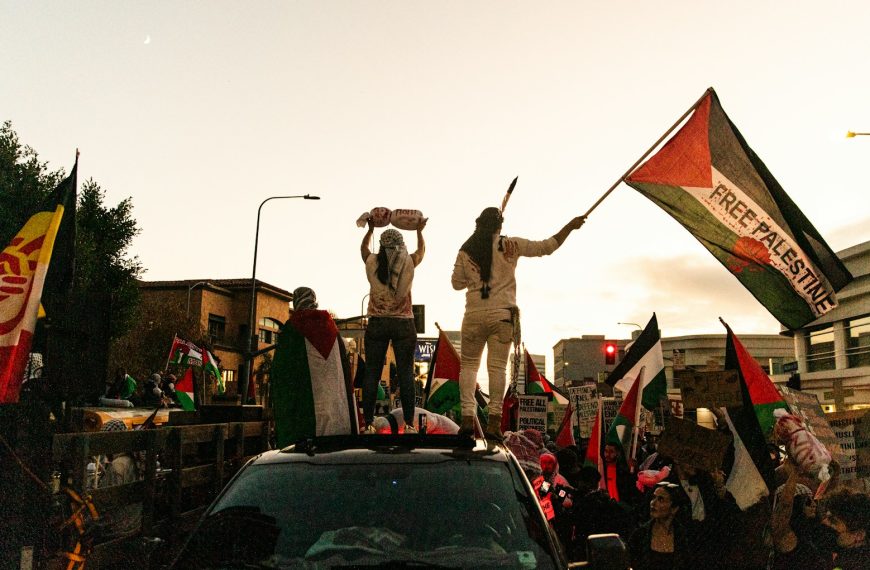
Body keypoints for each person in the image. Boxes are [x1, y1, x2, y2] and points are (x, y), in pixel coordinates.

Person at [451, 207, 585, 439]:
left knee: (469, 367)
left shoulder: (466, 250)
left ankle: (466, 419)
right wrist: (569, 228)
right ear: (499, 226)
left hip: (473, 314)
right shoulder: (511, 245)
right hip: (503, 315)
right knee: (497, 369)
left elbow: (456, 284)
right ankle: (494, 423)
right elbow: (547, 247)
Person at [360, 220, 426, 434]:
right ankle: (408, 424)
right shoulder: (408, 261)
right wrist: (419, 231)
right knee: (407, 374)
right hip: (403, 323)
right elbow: (422, 251)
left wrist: (370, 230)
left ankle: (368, 424)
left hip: (377, 323)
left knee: (372, 373)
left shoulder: (372, 261)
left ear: (380, 245)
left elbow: (362, 249)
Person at [628, 482, 691, 570]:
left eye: (661, 500)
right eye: (653, 497)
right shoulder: (640, 535)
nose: (653, 503)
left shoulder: (684, 537)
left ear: (674, 509)